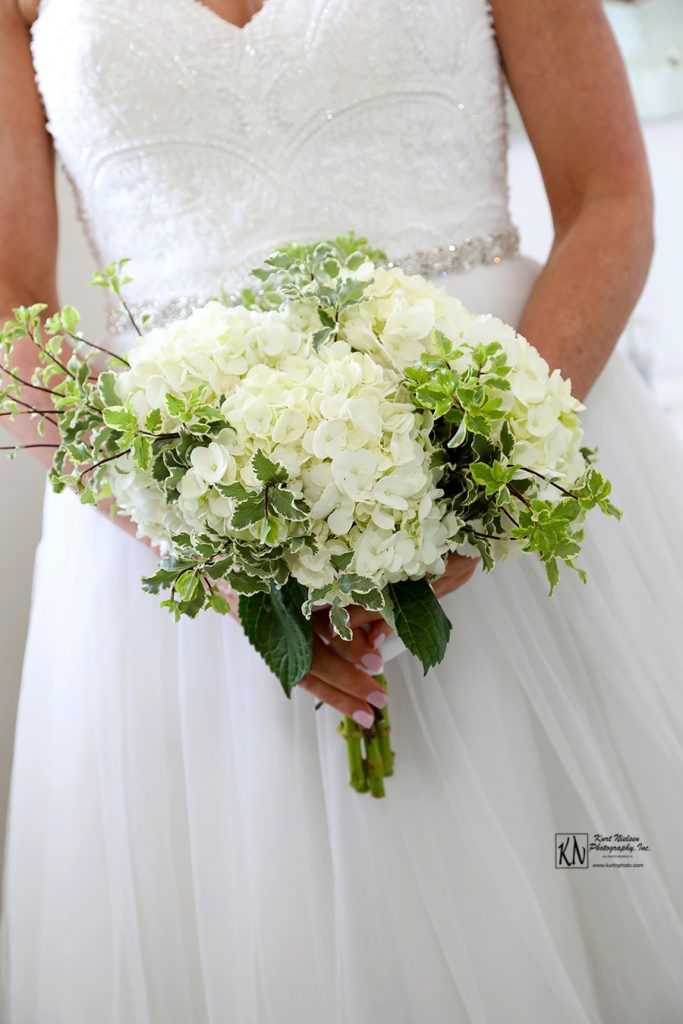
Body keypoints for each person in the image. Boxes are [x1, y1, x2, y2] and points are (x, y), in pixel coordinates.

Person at [1, 0, 682, 1020]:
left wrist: (482, 486)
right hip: (179, 540)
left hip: (499, 462)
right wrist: (208, 545)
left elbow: (607, 196)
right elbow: (14, 313)